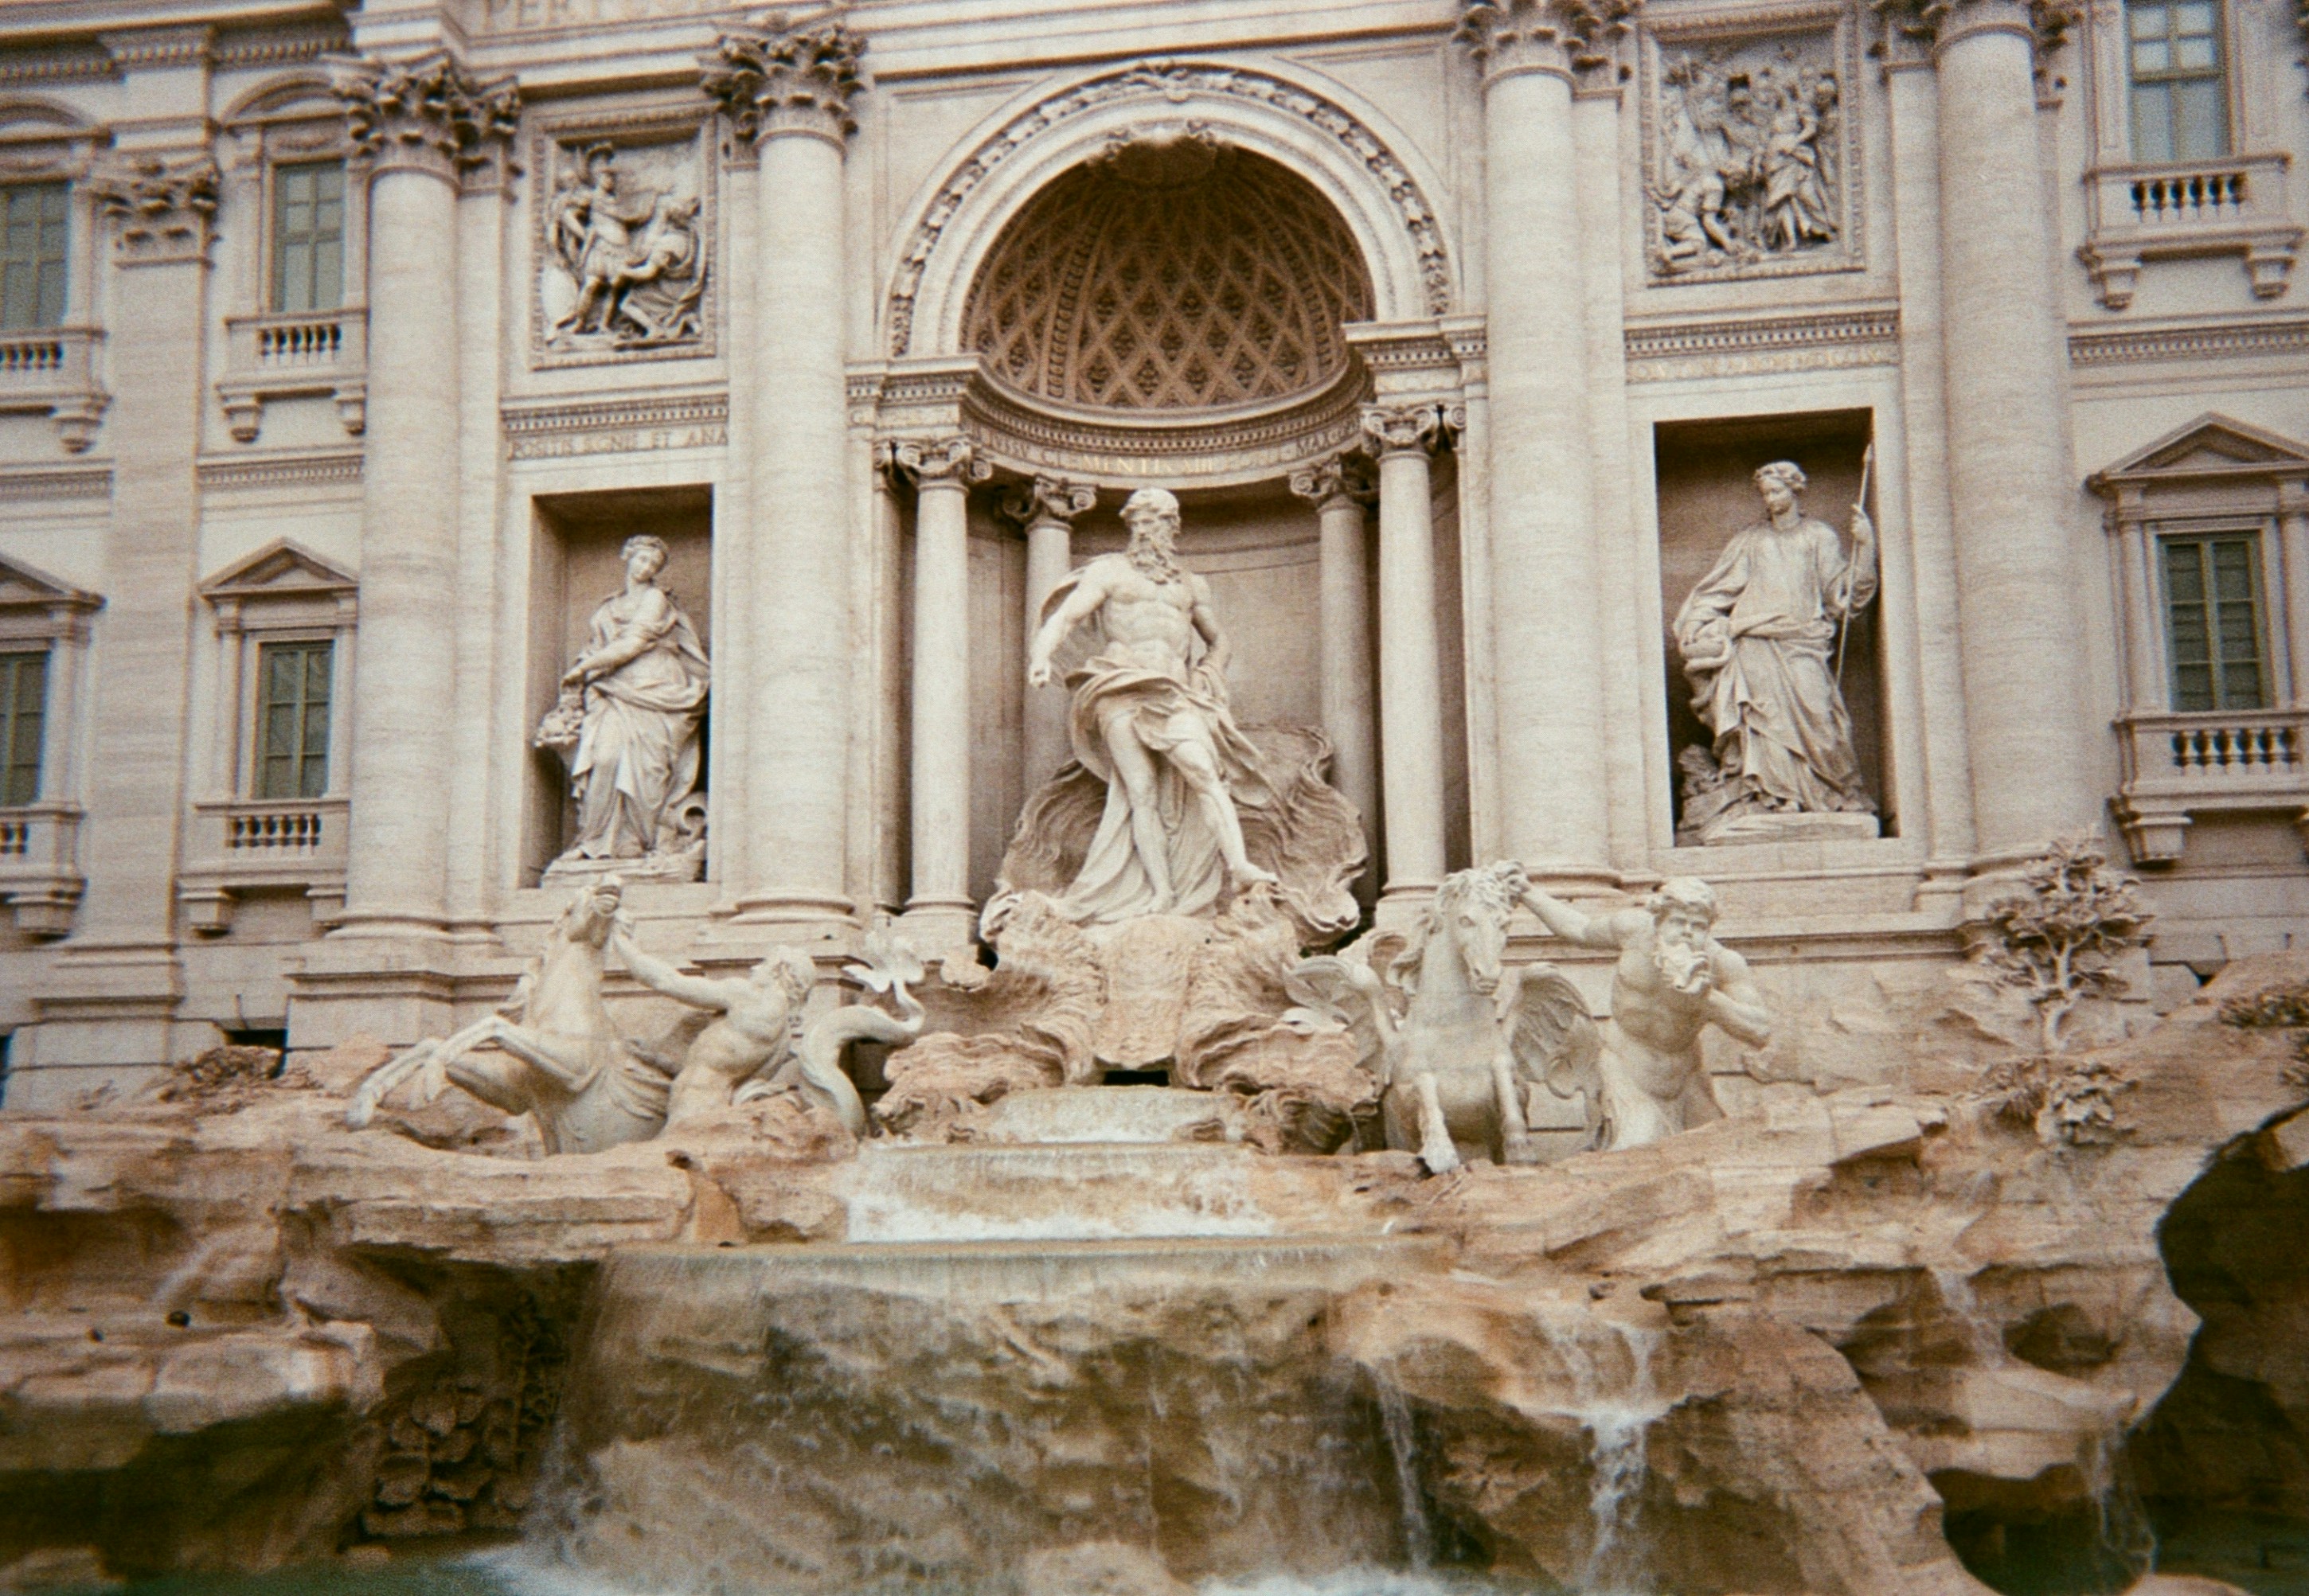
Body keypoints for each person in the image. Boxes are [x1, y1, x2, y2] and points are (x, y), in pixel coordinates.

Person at [1026, 487, 1277, 920]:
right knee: (1139, 791)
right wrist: (1040, 657)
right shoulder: (1110, 572)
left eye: (1154, 521)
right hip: (1119, 686)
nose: (1144, 530)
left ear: (1171, 527)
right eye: (1138, 522)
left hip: (1174, 691)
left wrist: (1209, 671)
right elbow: (1065, 618)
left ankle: (1238, 865)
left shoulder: (1191, 585)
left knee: (1205, 772)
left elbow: (1219, 641)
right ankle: (1161, 893)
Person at [1672, 459, 1877, 821]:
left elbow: (1842, 598)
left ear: (1795, 490)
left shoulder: (1820, 537)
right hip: (1754, 644)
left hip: (1802, 642)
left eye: (1777, 491)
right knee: (1763, 725)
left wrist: (1866, 548)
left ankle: (1833, 792)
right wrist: (1700, 623)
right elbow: (1717, 591)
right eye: (1765, 493)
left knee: (1821, 719)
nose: (1770, 499)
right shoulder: (1750, 541)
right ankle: (1773, 797)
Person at [1510, 872, 1773, 1149]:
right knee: (1639, 1146)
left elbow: (1759, 1031)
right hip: (1625, 1068)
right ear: (1658, 921)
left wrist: (1709, 999)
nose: (1687, 932)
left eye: (1698, 926)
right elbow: (1580, 928)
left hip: (1684, 1078)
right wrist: (1528, 893)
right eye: (1678, 922)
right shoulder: (1633, 931)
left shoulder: (1723, 963)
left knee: (1719, 1151)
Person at [546, 534, 710, 867]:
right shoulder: (608, 607)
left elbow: (634, 643)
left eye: (654, 564)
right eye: (642, 559)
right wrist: (587, 670)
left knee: (648, 769)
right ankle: (594, 840)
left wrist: (583, 671)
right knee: (604, 759)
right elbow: (597, 646)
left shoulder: (655, 600)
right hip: (613, 688)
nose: (646, 567)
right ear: (627, 557)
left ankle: (636, 840)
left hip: (656, 685)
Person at [609, 928, 815, 1126]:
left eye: (764, 964)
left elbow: (666, 981)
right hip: (712, 1105)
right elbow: (720, 1066)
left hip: (694, 1108)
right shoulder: (782, 1033)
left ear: (779, 971)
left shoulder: (750, 997)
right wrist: (657, 1060)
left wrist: (621, 941)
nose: (754, 969)